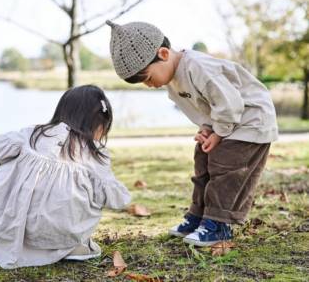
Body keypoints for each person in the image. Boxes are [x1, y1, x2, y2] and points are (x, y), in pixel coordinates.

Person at [106, 20, 278, 246]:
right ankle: (199, 215)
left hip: (250, 120)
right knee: (203, 159)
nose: (149, 85)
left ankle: (218, 224)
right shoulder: (172, 81)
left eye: (148, 78)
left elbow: (229, 102)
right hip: (227, 123)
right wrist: (207, 130)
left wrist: (219, 132)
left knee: (226, 166)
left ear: (164, 53)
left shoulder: (198, 67)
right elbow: (205, 108)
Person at [0, 84, 131, 268]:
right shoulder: (95, 156)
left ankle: (28, 243)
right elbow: (115, 198)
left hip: (10, 226)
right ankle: (71, 246)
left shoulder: (32, 134)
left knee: (10, 167)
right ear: (98, 123)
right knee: (88, 195)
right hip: (60, 233)